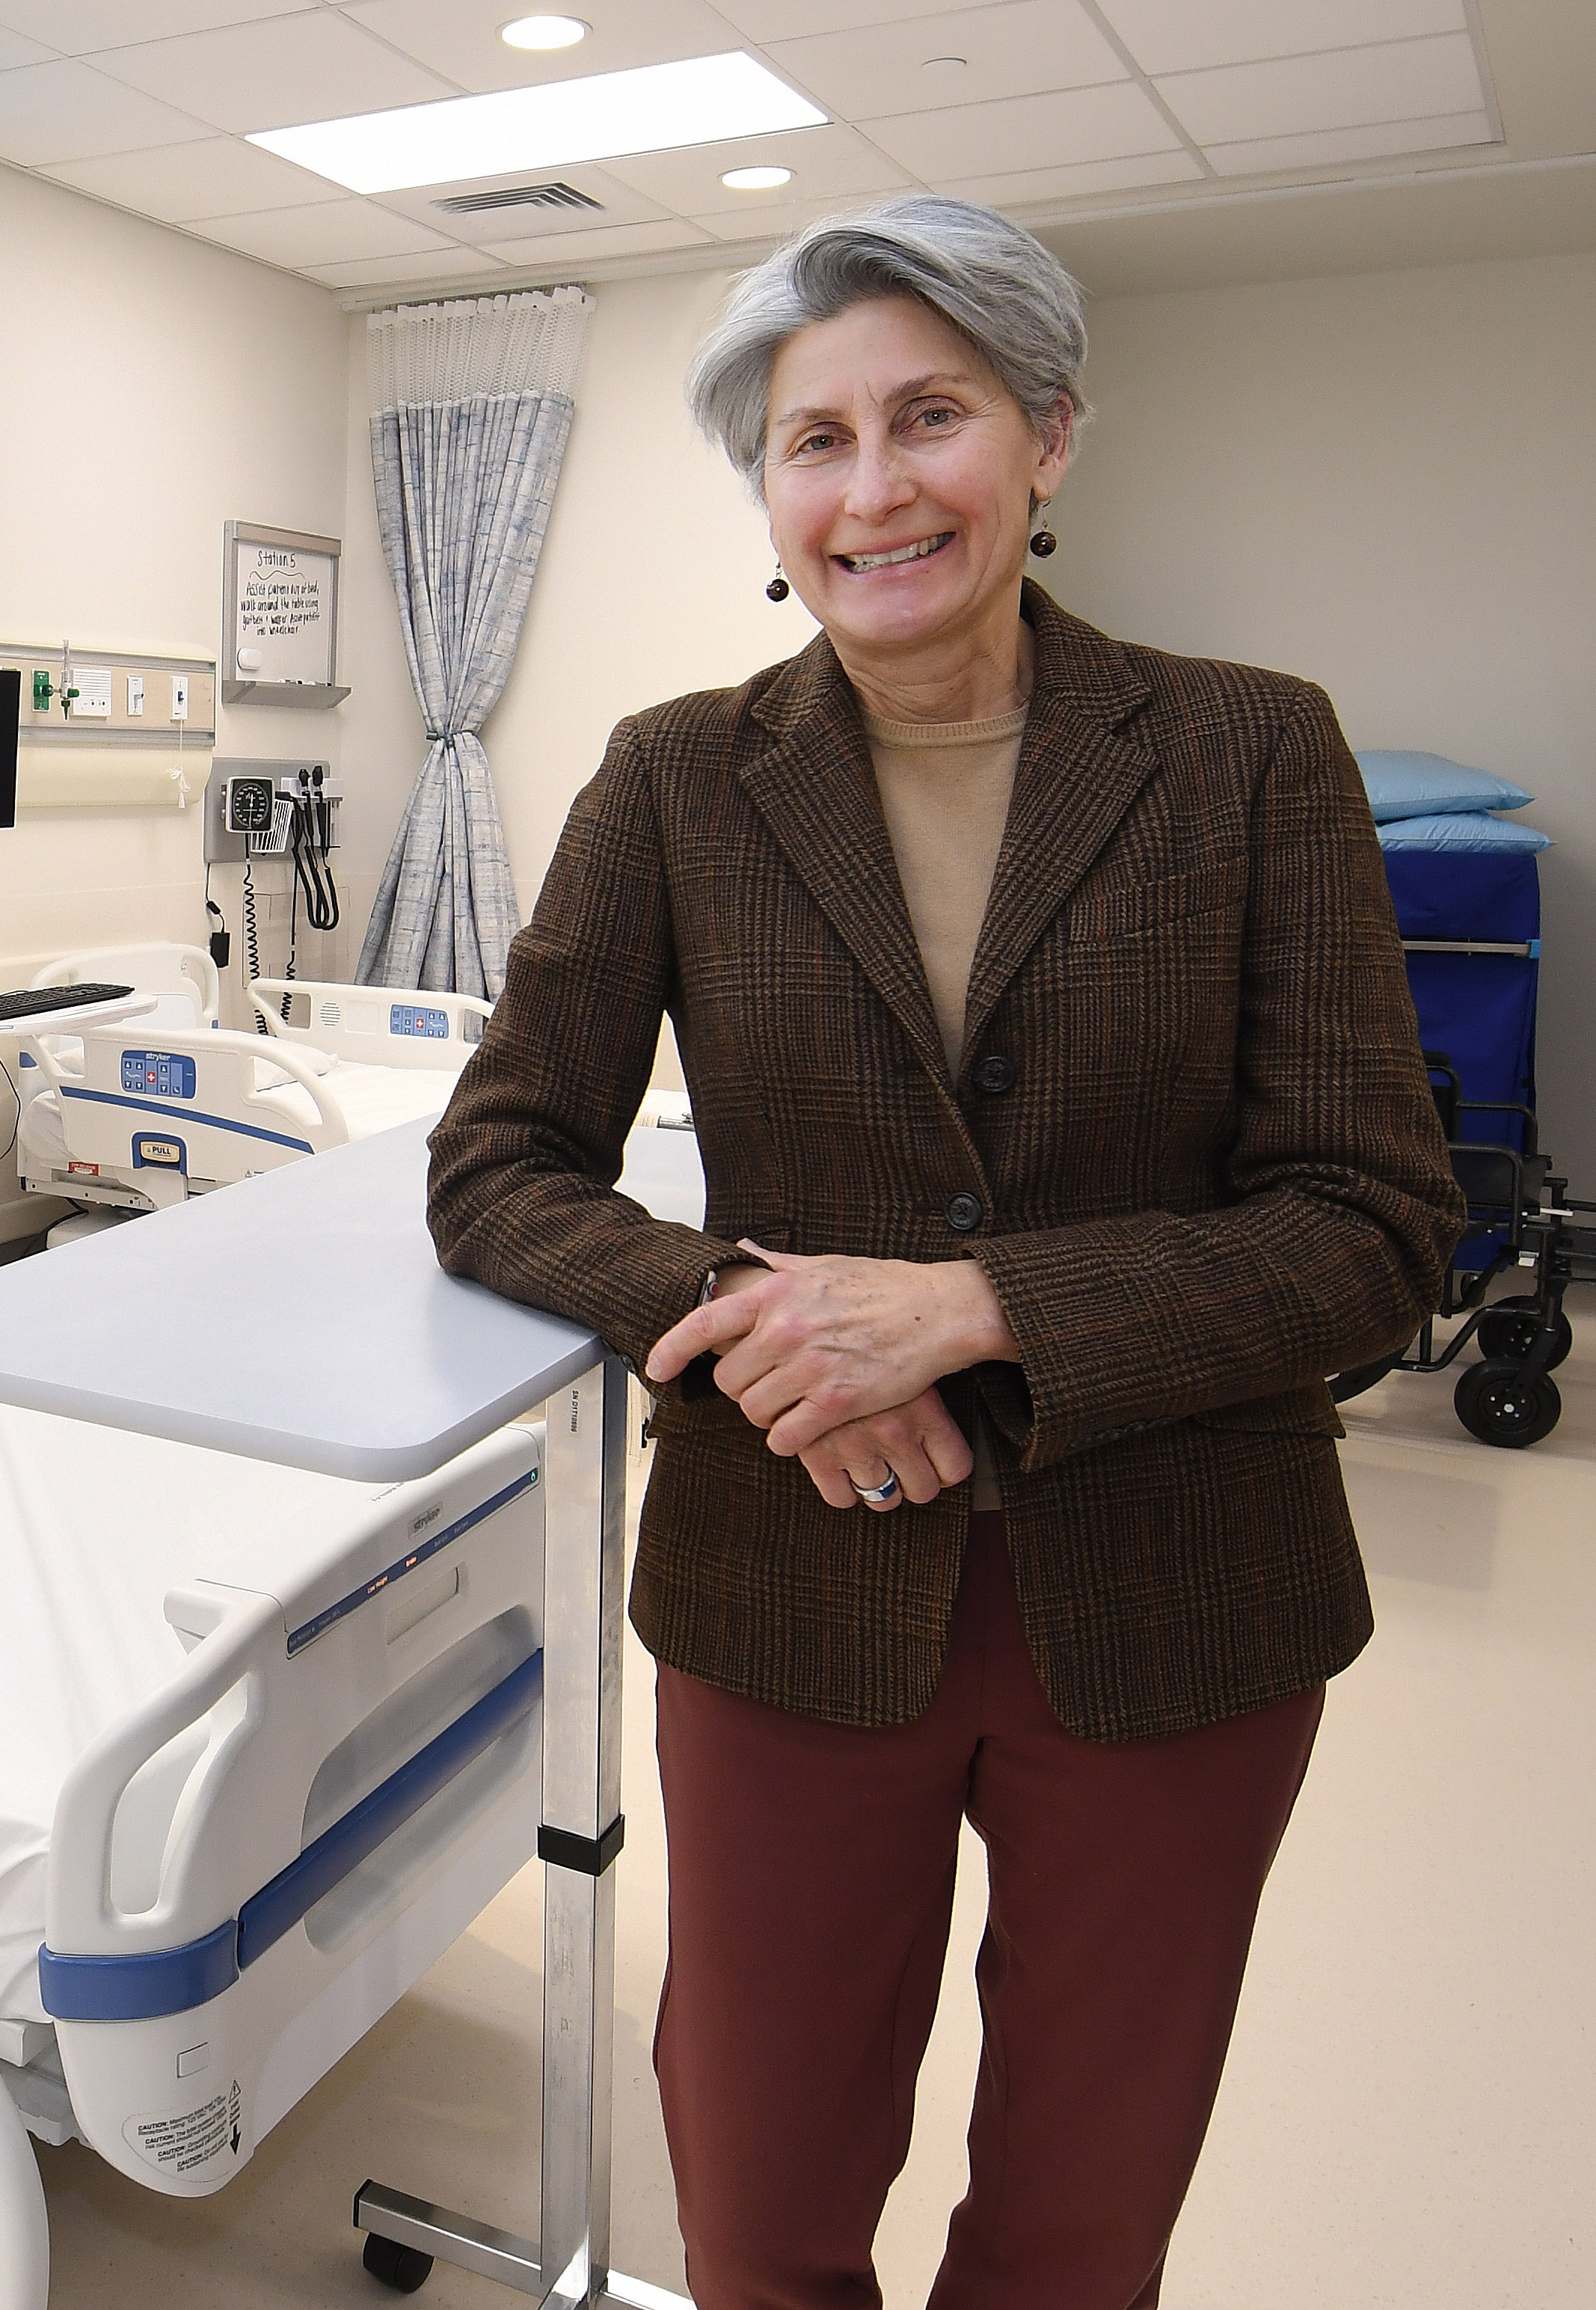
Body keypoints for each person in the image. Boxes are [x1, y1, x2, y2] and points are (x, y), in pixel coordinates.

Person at [427, 195, 1464, 2309]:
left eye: (932, 416)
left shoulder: (1250, 750)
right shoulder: (676, 781)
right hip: (790, 1575)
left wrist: (979, 1309)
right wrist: (748, 1316)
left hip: (1178, 1583)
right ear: (769, 491)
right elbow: (498, 1163)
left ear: (1047, 436)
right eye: (813, 440)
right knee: (759, 2200)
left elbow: (1373, 1227)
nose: (873, 489)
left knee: (1081, 2222)